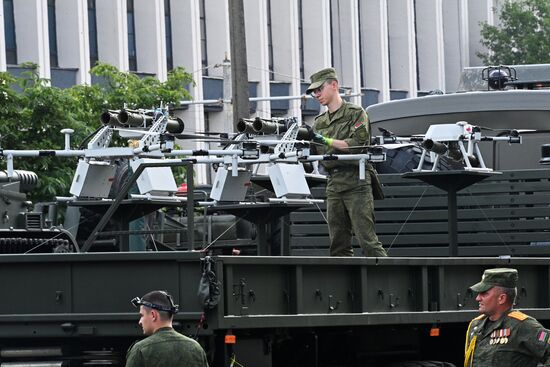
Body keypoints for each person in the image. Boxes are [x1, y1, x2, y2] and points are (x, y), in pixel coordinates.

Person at [305, 67, 387, 257]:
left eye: (319, 89)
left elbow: (358, 145)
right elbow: (313, 155)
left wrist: (324, 140)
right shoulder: (319, 122)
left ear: (334, 85)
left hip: (356, 181)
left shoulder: (355, 113)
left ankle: (388, 279)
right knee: (338, 244)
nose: (316, 94)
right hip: (334, 183)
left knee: (367, 240)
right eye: (314, 92)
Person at [464, 268, 550, 367]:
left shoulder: (523, 326)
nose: (478, 298)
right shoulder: (476, 325)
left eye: (484, 293)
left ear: (501, 298)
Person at [126, 290, 209, 367]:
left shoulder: (140, 350)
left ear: (153, 315)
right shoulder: (196, 348)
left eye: (142, 315)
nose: (140, 321)